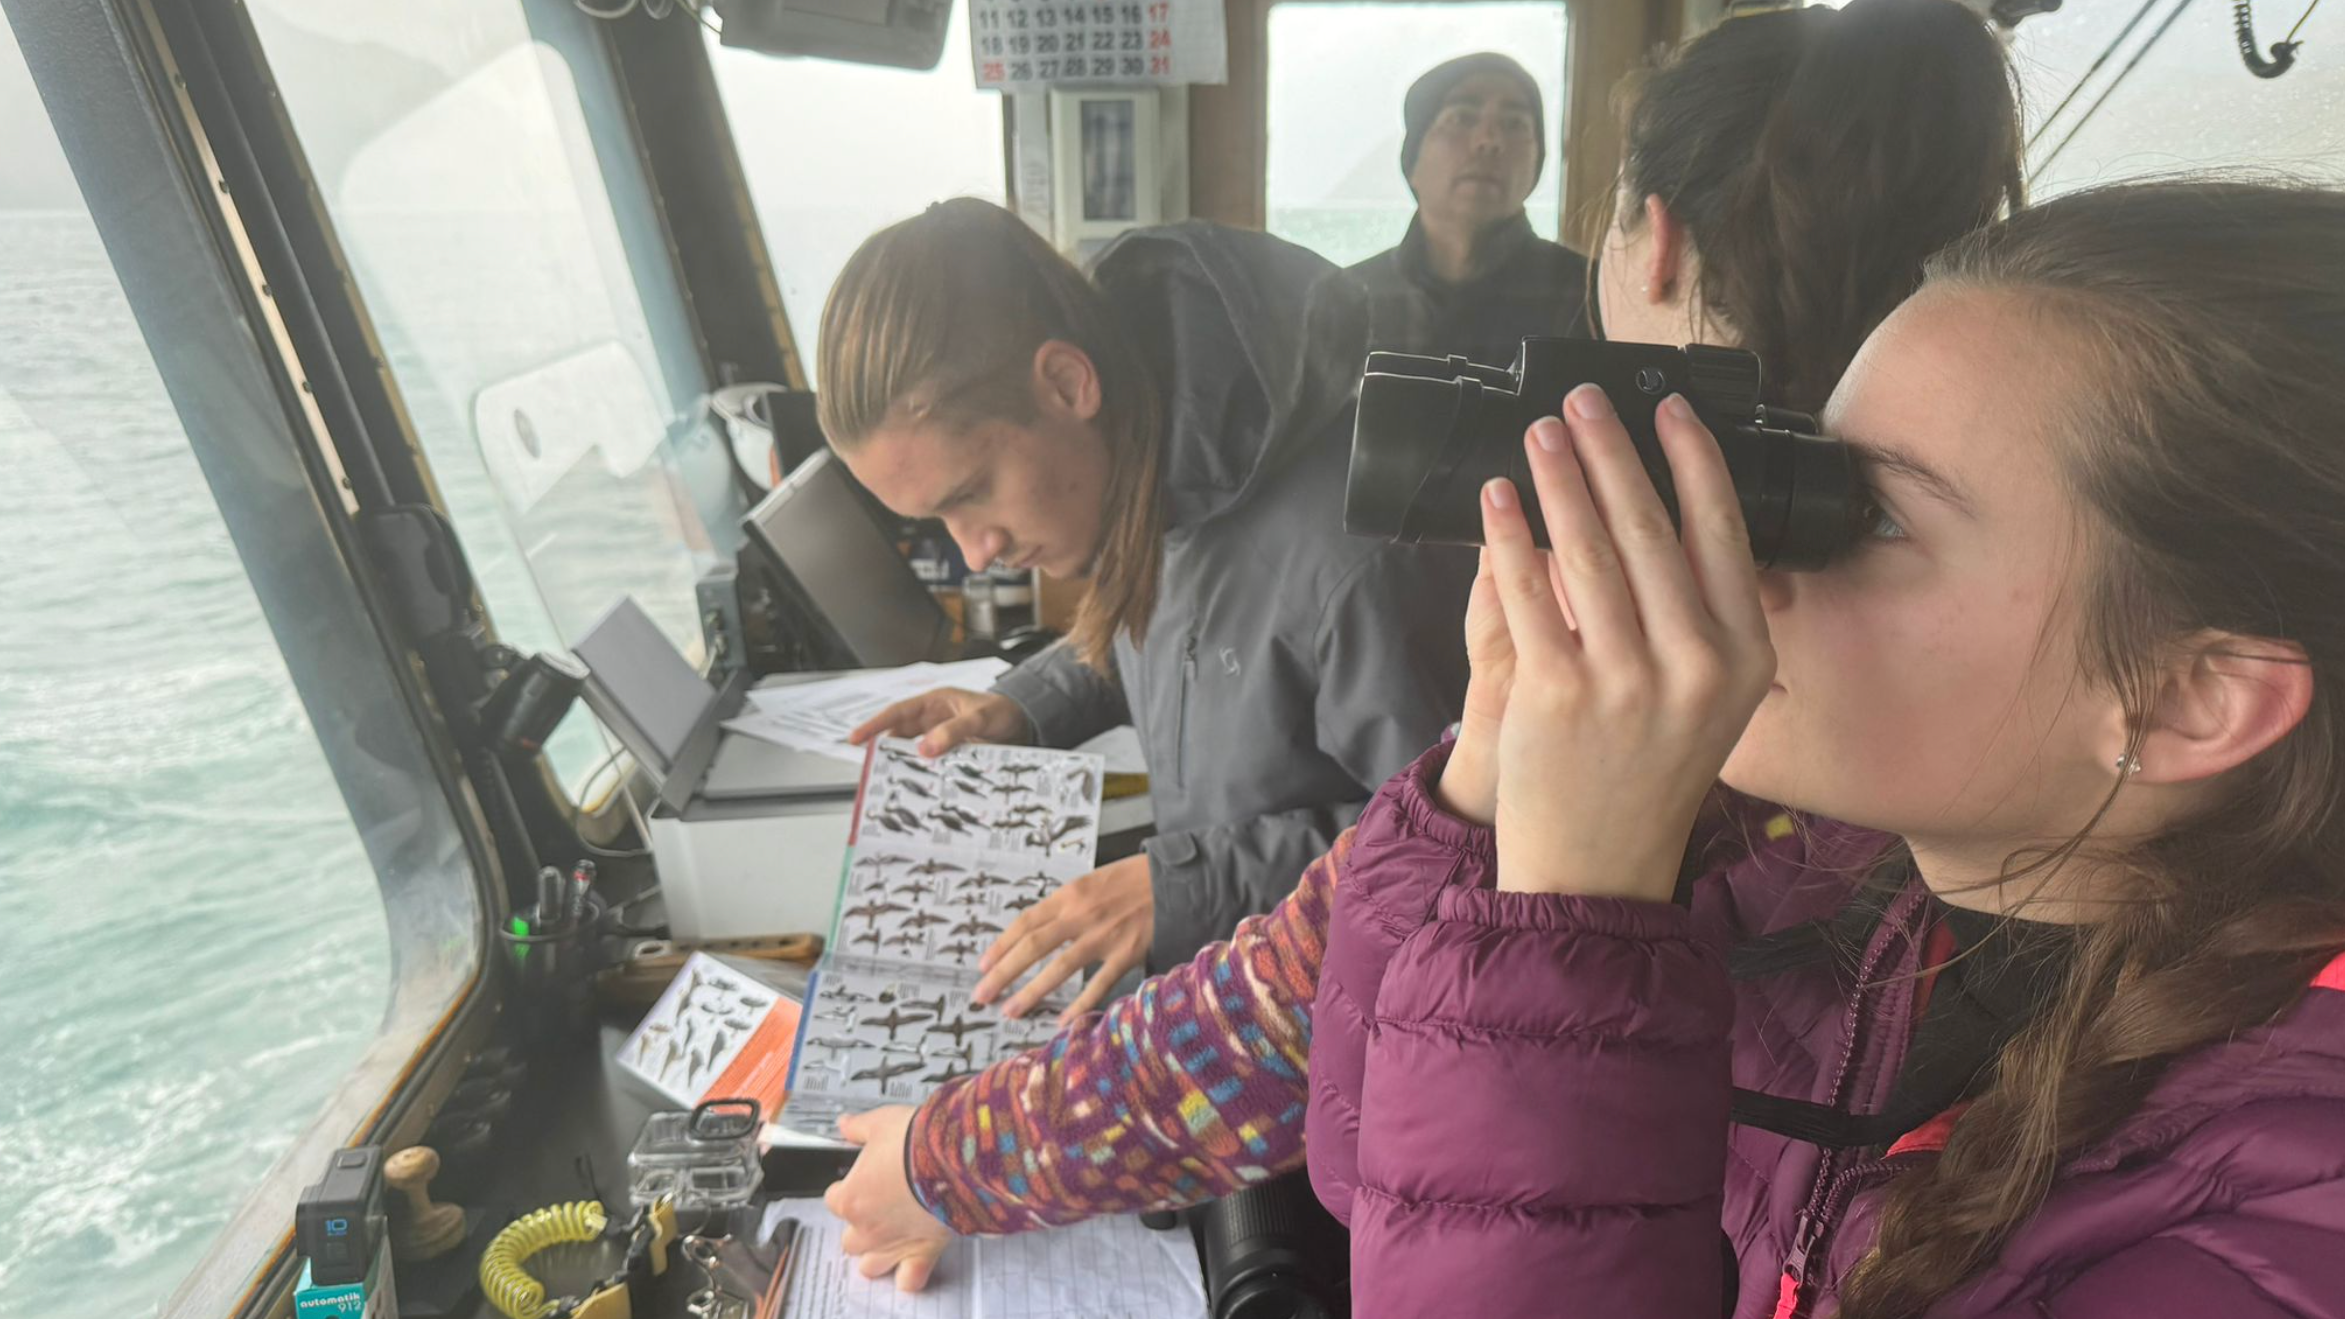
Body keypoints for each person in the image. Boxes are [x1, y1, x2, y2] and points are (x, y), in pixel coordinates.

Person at [820, 0, 2027, 1292]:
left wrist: (1569, 892)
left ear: (1653, 244)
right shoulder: (1964, 720)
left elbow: (1292, 1017)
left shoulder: (1662, 705)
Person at [1315, 178, 2345, 1317]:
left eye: (1879, 517)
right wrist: (1497, 785)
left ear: (2184, 701)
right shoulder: (1807, 883)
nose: (1744, 566)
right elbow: (1379, 1168)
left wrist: (1572, 916)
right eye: (1800, 473)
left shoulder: (2290, 1207)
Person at [822, 200, 1473, 1024]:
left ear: (1065, 383)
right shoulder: (1166, 463)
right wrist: (1022, 705)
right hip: (1238, 977)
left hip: (1350, 1031)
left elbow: (1458, 849)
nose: (974, 552)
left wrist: (1181, 887)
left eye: (971, 494)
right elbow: (1184, 638)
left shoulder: (1358, 552)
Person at [1301, 51, 1590, 380]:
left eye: (1514, 124)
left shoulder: (1589, 296)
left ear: (1538, 161)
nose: (1489, 141)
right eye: (1462, 118)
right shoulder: (1344, 299)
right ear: (1413, 162)